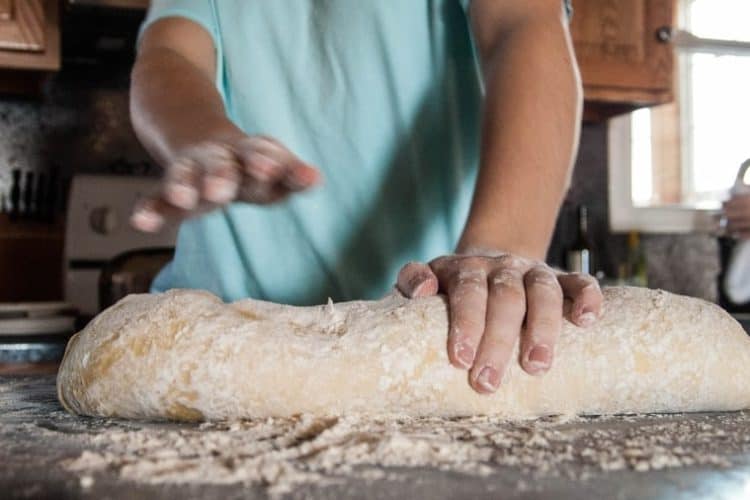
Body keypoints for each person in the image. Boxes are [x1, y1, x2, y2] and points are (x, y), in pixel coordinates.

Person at [129, 0, 603, 395]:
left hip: (430, 336)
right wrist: (207, 139)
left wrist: (497, 252)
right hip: (211, 342)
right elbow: (170, 53)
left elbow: (520, 26)